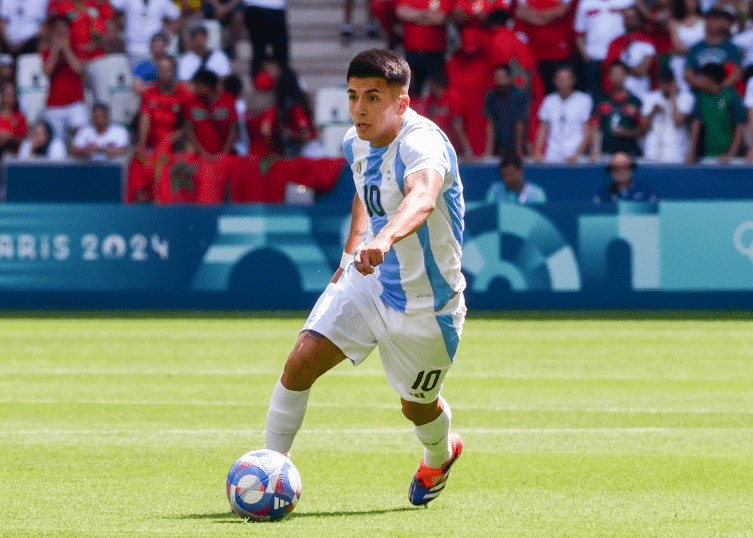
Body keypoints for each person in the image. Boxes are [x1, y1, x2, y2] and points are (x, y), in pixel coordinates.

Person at [263, 49, 466, 508]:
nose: (359, 108)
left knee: (416, 407)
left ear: (402, 103)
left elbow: (422, 198)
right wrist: (353, 248)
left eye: (373, 98)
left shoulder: (423, 144)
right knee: (300, 362)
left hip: (427, 304)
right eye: (354, 96)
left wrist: (387, 237)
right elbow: (365, 191)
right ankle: (268, 468)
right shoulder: (356, 141)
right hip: (369, 279)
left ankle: (440, 450)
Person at [513, 0, 577, 95]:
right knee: (538, 91)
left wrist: (533, 15)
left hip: (560, 51)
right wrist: (546, 17)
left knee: (563, 88)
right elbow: (519, 12)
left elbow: (560, 11)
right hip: (534, 51)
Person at [686, 62, 745, 164]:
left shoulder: (731, 96)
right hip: (707, 156)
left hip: (731, 159)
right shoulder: (701, 97)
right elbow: (696, 125)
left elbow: (740, 127)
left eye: (702, 77)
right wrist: (692, 152)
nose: (700, 81)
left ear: (710, 79)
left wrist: (730, 155)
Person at [42, 16, 89, 143]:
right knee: (56, 144)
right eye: (58, 29)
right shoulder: (47, 51)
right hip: (54, 104)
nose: (61, 32)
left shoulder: (77, 49)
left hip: (76, 103)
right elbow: (47, 71)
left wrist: (67, 49)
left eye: (64, 29)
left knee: (81, 137)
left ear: (69, 31)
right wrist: (56, 50)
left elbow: (80, 70)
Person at [533, 64, 592, 163]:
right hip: (552, 154)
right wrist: (537, 151)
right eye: (560, 79)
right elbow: (543, 128)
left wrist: (577, 154)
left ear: (573, 80)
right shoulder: (548, 100)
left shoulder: (584, 100)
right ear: (554, 81)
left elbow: (587, 131)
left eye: (567, 79)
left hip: (575, 155)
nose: (563, 83)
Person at [574, 0, 634, 95]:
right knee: (594, 96)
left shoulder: (626, 1)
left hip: (619, 59)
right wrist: (586, 57)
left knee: (620, 95)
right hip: (593, 58)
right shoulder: (585, 3)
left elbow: (636, 23)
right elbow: (579, 34)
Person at [589, 61, 645, 161]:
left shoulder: (635, 102)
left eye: (620, 74)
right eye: (614, 74)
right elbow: (594, 128)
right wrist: (594, 151)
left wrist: (626, 133)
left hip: (630, 155)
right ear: (609, 76)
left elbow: (643, 130)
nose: (617, 77)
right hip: (606, 154)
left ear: (626, 75)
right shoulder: (601, 100)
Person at [395, 0, 453, 96]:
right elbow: (400, 12)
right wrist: (428, 15)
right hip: (410, 51)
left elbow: (440, 18)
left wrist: (414, 14)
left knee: (438, 92)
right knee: (409, 93)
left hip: (436, 52)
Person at [602, 6, 657, 101]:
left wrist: (623, 67)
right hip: (618, 95)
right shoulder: (616, 42)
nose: (630, 21)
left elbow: (644, 70)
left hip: (641, 92)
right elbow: (609, 69)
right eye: (627, 18)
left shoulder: (647, 41)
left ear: (639, 19)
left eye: (633, 18)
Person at [641, 65, 694, 163]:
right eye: (662, 83)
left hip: (676, 154)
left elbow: (678, 121)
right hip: (652, 153)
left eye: (667, 82)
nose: (664, 86)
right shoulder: (650, 97)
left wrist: (673, 96)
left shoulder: (685, 98)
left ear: (673, 82)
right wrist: (652, 113)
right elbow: (643, 128)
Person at [684, 5, 741, 93]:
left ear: (721, 23)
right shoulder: (695, 48)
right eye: (710, 19)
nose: (713, 23)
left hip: (724, 93)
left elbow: (737, 72)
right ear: (705, 22)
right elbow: (688, 74)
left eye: (716, 20)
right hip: (700, 93)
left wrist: (720, 86)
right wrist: (704, 85)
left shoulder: (730, 47)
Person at [184, 68, 238, 159]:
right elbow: (189, 130)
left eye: (199, 86)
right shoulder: (193, 101)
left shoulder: (228, 100)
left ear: (208, 86)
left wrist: (224, 153)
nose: (195, 89)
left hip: (225, 157)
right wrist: (202, 152)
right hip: (200, 156)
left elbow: (234, 130)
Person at [111, 0, 183, 67]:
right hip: (132, 49)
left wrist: (168, 34)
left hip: (154, 51)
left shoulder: (162, 1)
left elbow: (177, 16)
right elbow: (112, 4)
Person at [483, 64, 529, 158]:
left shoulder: (520, 95)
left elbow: (520, 123)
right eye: (497, 78)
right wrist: (489, 151)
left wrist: (518, 151)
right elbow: (491, 124)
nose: (500, 81)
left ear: (510, 78)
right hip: (499, 145)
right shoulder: (491, 95)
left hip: (516, 144)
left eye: (503, 77)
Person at [667, 0, 704, 96]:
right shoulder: (673, 22)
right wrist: (696, 52)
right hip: (682, 60)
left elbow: (708, 42)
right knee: (677, 64)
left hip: (703, 58)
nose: (691, 2)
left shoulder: (705, 20)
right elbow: (677, 46)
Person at [243, 0, 289, 75]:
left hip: (273, 7)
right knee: (260, 51)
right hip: (258, 6)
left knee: (279, 53)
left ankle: (282, 82)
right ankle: (258, 83)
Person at [0, 82, 27, 159]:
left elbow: (25, 140)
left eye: (12, 95)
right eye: (7, 94)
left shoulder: (20, 117)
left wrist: (10, 137)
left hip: (14, 155)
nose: (9, 97)